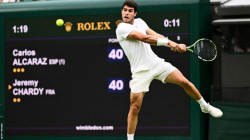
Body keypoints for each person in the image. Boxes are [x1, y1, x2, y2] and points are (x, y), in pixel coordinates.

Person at [115, 0, 223, 140]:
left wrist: (174, 45)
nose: (126, 13)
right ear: (122, 12)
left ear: (135, 13)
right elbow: (145, 38)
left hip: (156, 64)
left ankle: (205, 106)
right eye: (124, 10)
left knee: (184, 81)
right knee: (135, 107)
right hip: (139, 72)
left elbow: (155, 35)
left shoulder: (140, 22)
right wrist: (170, 43)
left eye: (130, 11)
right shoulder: (121, 28)